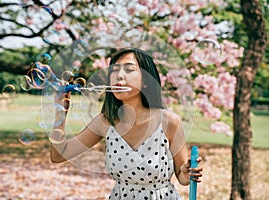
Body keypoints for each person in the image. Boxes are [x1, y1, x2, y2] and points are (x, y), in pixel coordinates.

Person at [50, 47, 203, 199]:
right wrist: (60, 112)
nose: (119, 76)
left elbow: (182, 177)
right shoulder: (105, 122)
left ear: (146, 81)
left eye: (129, 70)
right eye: (114, 70)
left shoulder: (169, 122)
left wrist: (187, 172)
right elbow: (58, 156)